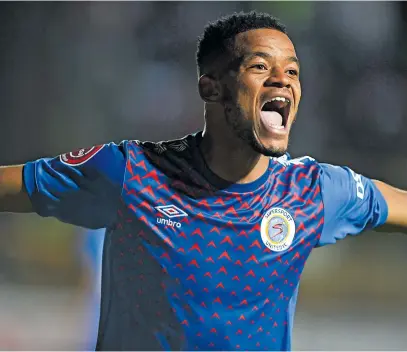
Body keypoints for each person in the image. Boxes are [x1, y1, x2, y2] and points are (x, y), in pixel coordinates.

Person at [0, 11, 405, 351]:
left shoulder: (312, 191)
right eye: (261, 66)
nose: (283, 80)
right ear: (210, 87)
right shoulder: (130, 173)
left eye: (293, 71)